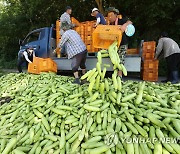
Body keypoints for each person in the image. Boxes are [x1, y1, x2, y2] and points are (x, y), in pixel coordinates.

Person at [107, 7, 132, 78]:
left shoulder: (121, 21)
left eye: (111, 15)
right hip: (114, 44)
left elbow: (130, 22)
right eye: (108, 16)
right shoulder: (110, 25)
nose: (110, 17)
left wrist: (125, 25)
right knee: (114, 59)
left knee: (121, 58)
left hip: (123, 43)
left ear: (116, 16)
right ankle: (115, 74)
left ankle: (120, 75)